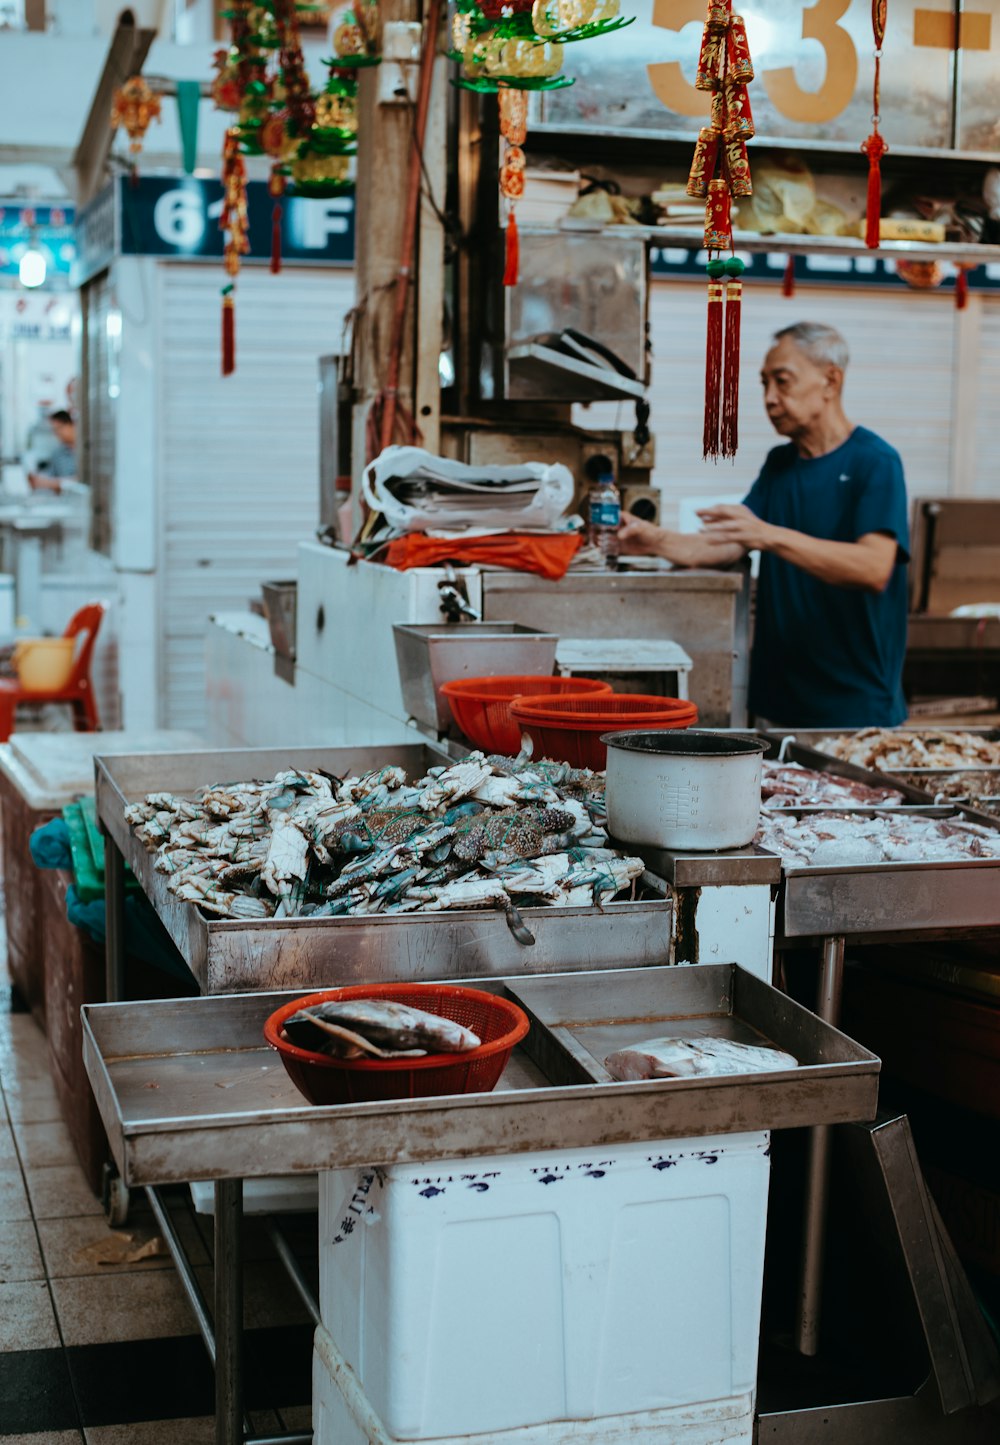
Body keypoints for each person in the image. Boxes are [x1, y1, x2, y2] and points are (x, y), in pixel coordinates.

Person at [618, 321, 909, 728]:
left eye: (783, 382)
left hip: (854, 707)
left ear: (830, 381)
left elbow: (873, 568)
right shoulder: (780, 465)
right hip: (778, 702)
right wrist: (653, 539)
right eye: (763, 384)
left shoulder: (875, 462)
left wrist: (768, 535)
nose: (769, 399)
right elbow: (728, 543)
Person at [28, 410, 78, 494]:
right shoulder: (57, 453)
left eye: (59, 428)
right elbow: (48, 479)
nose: (57, 433)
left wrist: (53, 483)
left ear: (71, 425)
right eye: (54, 430)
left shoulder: (88, 451)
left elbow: (85, 481)